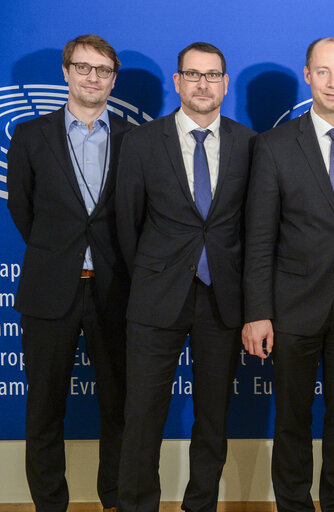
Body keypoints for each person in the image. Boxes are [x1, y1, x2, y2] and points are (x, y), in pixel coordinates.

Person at [241, 37, 334, 512]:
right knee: (292, 420)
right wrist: (258, 312)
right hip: (292, 308)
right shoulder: (273, 145)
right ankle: (292, 505)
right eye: (323, 71)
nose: (333, 82)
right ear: (307, 75)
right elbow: (259, 237)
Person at [114, 42, 256, 512]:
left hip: (222, 300)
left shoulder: (248, 143)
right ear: (177, 82)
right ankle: (138, 505)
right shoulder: (141, 140)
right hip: (156, 298)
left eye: (212, 75)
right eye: (193, 75)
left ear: (225, 84)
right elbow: (127, 224)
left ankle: (201, 505)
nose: (202, 84)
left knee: (213, 418)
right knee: (142, 416)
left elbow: (253, 228)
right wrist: (156, 273)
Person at [6, 34, 131, 512]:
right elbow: (23, 210)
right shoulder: (30, 136)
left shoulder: (132, 139)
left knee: (118, 406)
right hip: (49, 289)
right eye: (84, 67)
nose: (92, 77)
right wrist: (61, 250)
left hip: (114, 290)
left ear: (112, 79)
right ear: (66, 72)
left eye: (102, 70)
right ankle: (49, 505)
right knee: (43, 410)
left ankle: (116, 498)